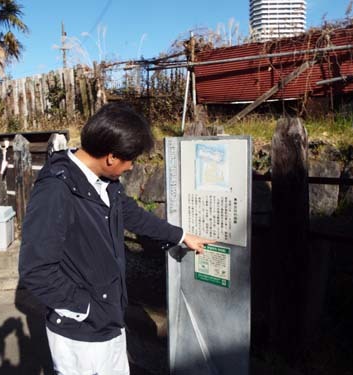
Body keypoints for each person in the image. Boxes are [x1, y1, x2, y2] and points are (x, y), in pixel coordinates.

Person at [19, 102, 214, 375]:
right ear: (111, 157)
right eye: (130, 160)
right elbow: (35, 270)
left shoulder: (104, 182)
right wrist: (85, 308)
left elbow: (132, 215)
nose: (131, 167)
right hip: (79, 333)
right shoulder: (56, 190)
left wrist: (180, 236)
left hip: (109, 318)